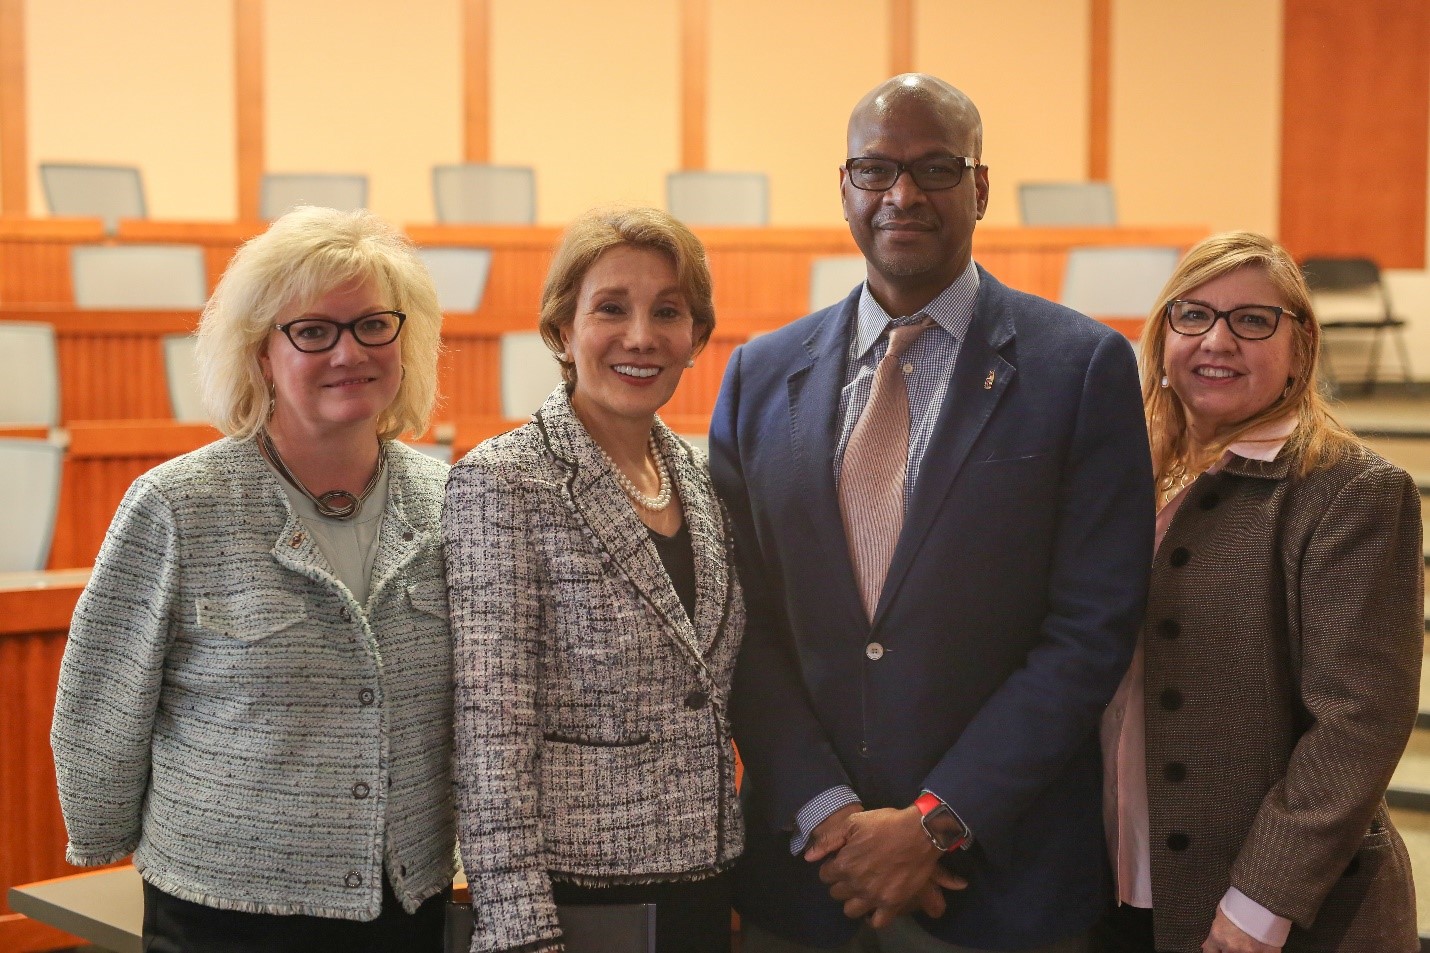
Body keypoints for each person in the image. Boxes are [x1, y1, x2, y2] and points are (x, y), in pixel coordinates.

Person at [709, 73, 1155, 953]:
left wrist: (936, 820)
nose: (901, 194)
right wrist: (827, 813)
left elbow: (1091, 630)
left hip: (1000, 885)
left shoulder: (1083, 369)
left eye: (935, 167)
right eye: (874, 169)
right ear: (843, 187)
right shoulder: (759, 376)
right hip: (805, 882)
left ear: (980, 186)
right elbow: (739, 624)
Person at [50, 206, 455, 953]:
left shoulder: (453, 502)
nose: (349, 351)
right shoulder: (177, 504)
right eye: (313, 330)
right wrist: (100, 828)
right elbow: (102, 694)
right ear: (261, 353)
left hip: (404, 899)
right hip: (223, 906)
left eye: (373, 324)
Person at [1095, 232, 1422, 953]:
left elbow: (1358, 724)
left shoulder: (1351, 492)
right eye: (1194, 315)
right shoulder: (1124, 474)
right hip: (1121, 886)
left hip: (1281, 915)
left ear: (1301, 348)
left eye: (1252, 320)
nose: (1218, 340)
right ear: (1163, 335)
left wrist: (1258, 906)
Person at [444, 206, 745, 953]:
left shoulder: (700, 481)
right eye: (611, 308)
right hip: (575, 902)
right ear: (561, 331)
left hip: (703, 887)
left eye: (668, 312)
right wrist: (520, 933)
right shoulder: (504, 481)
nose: (641, 336)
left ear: (696, 339)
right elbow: (490, 738)